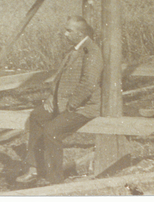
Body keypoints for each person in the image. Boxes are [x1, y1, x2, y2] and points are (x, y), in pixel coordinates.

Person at [16, 16, 103, 184]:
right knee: (36, 117)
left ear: (80, 33)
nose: (65, 34)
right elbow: (60, 78)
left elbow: (88, 84)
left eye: (69, 30)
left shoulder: (91, 52)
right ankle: (35, 169)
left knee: (52, 131)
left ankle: (54, 179)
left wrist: (71, 105)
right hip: (64, 103)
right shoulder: (73, 50)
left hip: (83, 107)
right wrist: (51, 97)